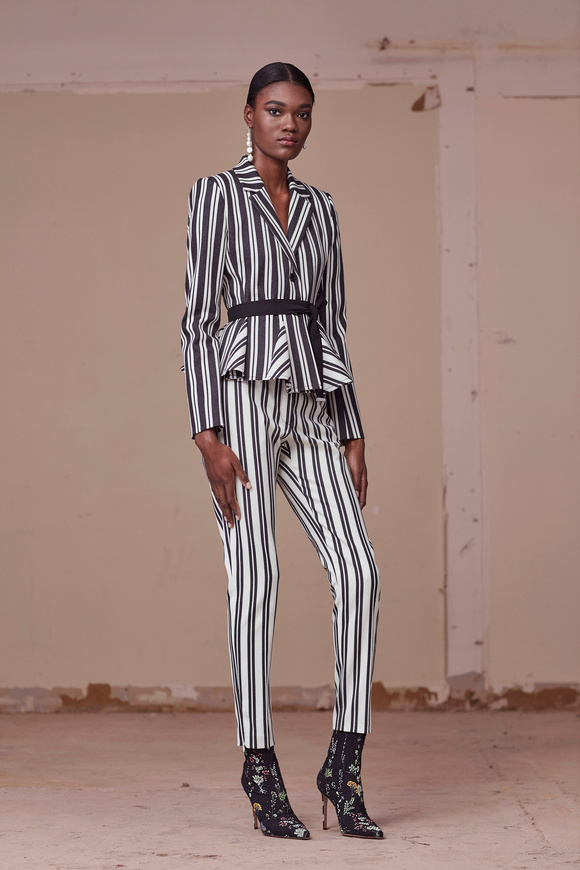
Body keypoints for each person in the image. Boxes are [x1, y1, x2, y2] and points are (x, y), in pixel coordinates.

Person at [181, 62, 382, 840]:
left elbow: (334, 320)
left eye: (301, 112)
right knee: (256, 578)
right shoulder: (215, 194)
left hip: (315, 402)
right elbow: (198, 320)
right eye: (274, 110)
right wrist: (206, 433)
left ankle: (345, 765)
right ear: (249, 116)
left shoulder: (322, 208)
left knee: (359, 572)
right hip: (242, 402)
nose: (288, 124)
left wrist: (353, 428)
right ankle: (259, 764)